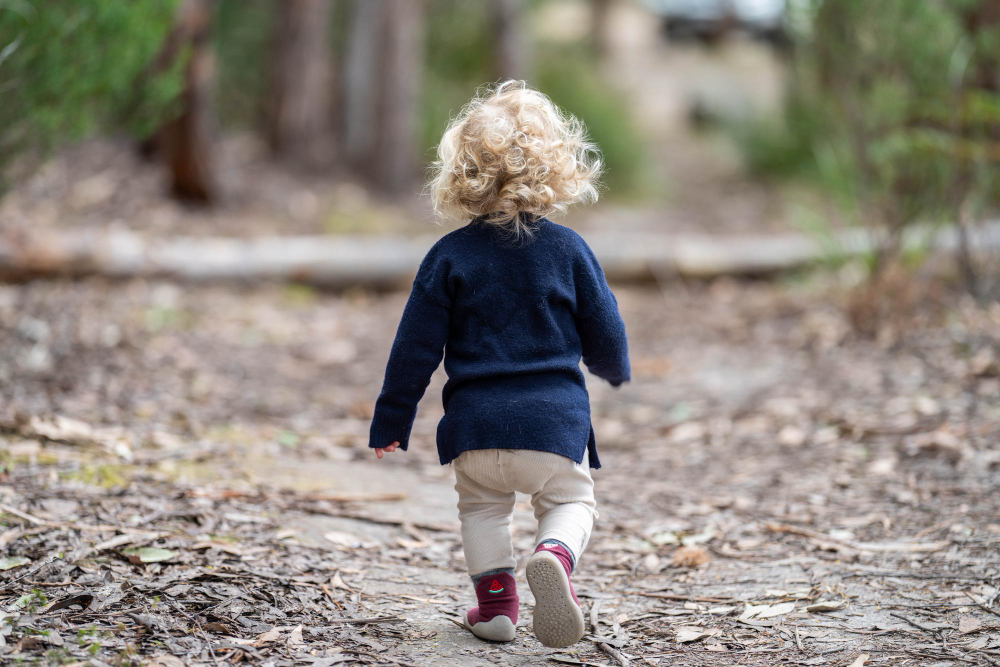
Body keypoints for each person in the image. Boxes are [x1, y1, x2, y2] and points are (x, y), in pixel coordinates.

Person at [369, 81, 630, 648]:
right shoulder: (570, 251)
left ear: (461, 174)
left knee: (482, 510)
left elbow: (413, 348)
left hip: (476, 430)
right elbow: (605, 330)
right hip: (552, 429)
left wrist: (391, 419)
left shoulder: (448, 257)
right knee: (570, 501)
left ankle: (496, 610)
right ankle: (553, 554)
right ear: (558, 166)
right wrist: (615, 367)